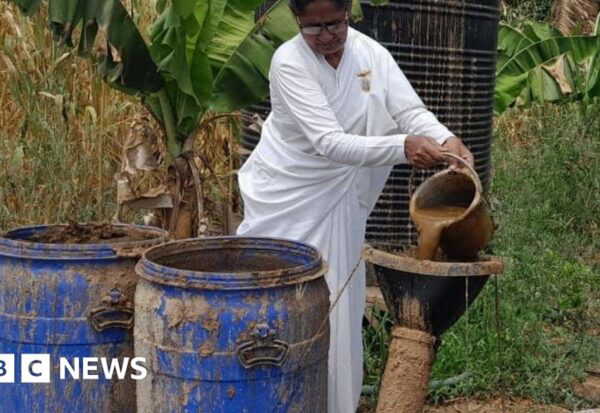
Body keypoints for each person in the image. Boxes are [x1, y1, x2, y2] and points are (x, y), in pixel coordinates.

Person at [236, 0, 474, 411]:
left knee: (337, 303)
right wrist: (404, 147)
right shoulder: (288, 62)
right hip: (290, 197)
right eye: (314, 27)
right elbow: (327, 142)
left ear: (348, 13)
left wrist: (445, 138)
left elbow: (408, 110)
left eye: (335, 23)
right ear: (297, 21)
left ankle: (331, 403)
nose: (326, 35)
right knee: (280, 305)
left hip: (341, 199)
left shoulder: (369, 53)